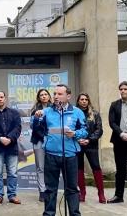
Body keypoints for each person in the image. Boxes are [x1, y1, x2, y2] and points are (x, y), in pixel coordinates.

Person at [34, 84, 87, 216]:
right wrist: (36, 119)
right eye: (55, 94)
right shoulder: (46, 112)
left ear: (68, 96)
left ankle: (74, 213)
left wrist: (75, 134)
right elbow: (36, 130)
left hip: (70, 155)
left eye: (59, 94)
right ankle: (49, 213)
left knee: (72, 188)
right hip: (51, 155)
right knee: (50, 189)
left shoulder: (77, 112)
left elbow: (85, 130)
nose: (56, 96)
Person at [75, 93, 106, 203]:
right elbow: (71, 128)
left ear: (88, 101)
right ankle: (82, 193)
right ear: (78, 101)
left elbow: (99, 130)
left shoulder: (94, 114)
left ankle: (101, 194)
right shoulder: (74, 113)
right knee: (79, 169)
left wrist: (89, 139)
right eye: (82, 99)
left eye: (86, 99)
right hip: (78, 144)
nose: (84, 101)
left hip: (91, 145)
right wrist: (78, 139)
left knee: (96, 167)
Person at [30, 89, 52, 202]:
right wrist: (36, 118)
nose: (43, 96)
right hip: (39, 141)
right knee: (40, 167)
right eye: (41, 95)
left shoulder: (54, 109)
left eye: (45, 94)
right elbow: (31, 126)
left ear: (49, 96)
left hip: (52, 141)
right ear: (39, 97)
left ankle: (50, 190)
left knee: (51, 167)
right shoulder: (35, 111)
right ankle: (42, 192)